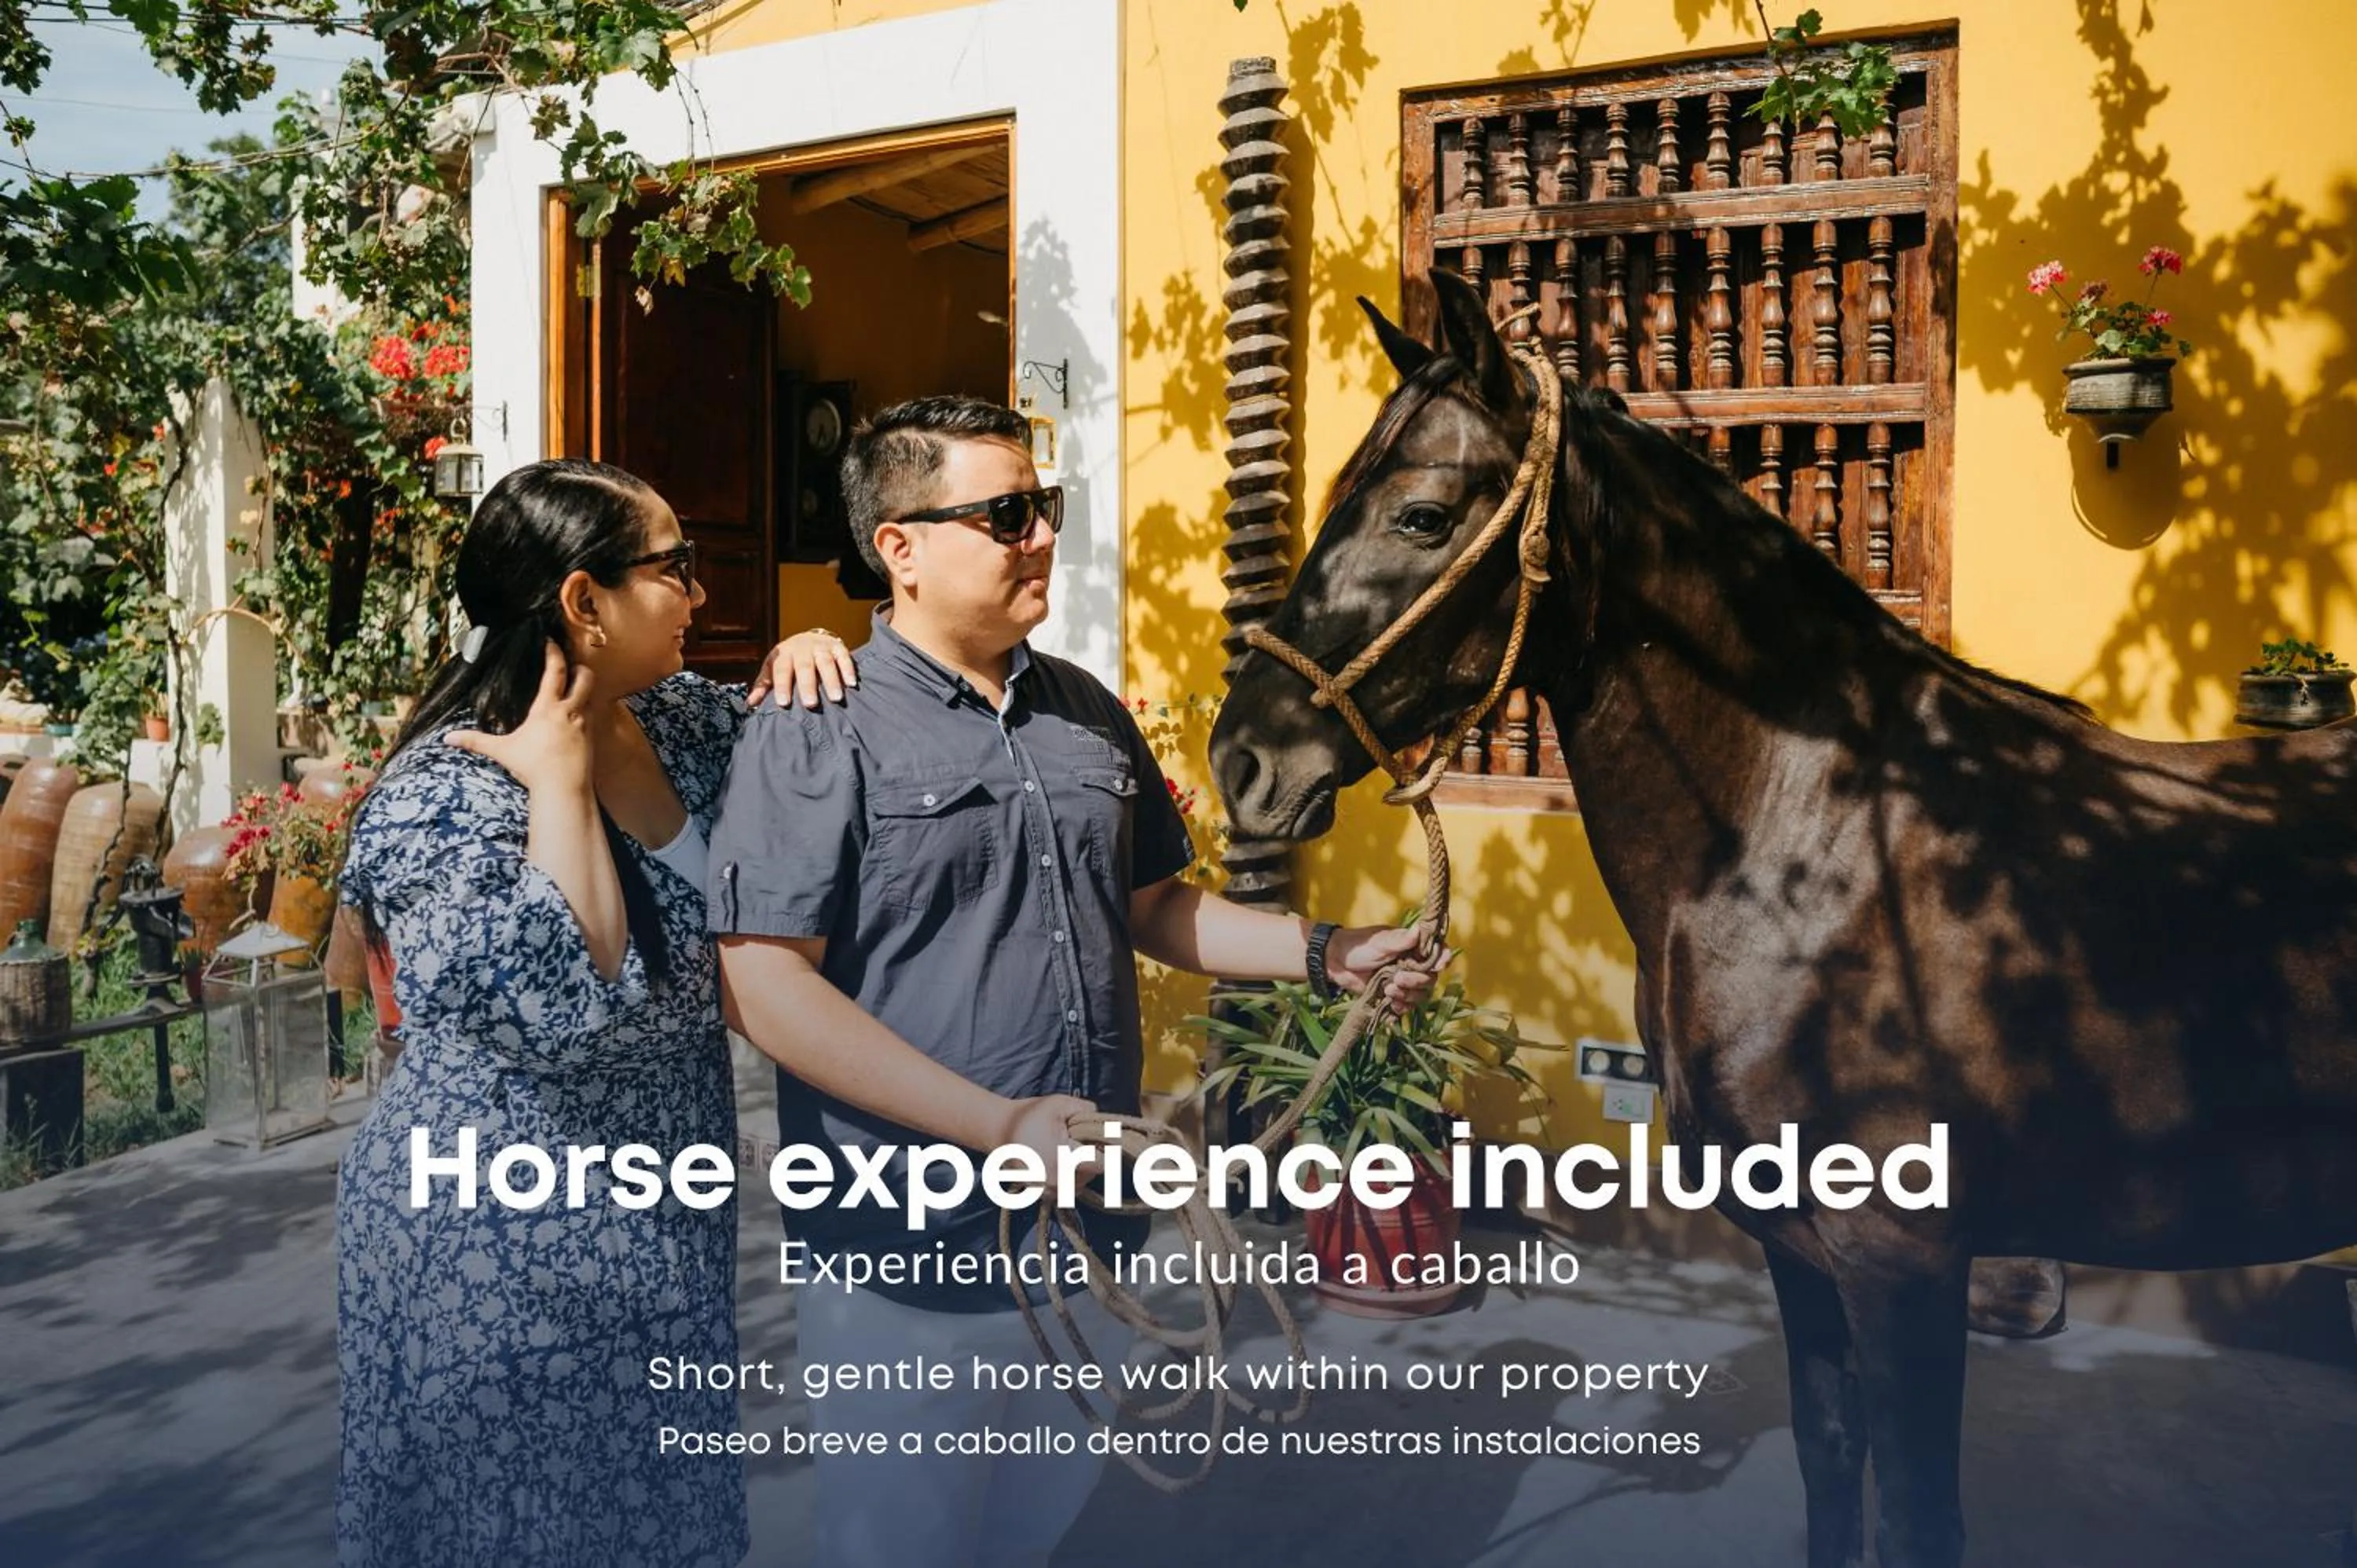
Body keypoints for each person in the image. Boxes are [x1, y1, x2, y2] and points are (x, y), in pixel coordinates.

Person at [708, 397, 1446, 1568]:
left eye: (1042, 508)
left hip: (1089, 1242)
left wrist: (1326, 951)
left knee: (1039, 1538)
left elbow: (1152, 907)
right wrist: (1000, 1126)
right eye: (1004, 515)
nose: (1040, 535)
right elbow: (762, 984)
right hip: (909, 1256)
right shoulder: (819, 722)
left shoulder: (1087, 714)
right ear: (898, 547)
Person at [333, 458, 854, 1568]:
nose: (702, 595)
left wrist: (814, 655)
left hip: (661, 1223)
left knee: (661, 1519)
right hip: (493, 1249)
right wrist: (560, 785)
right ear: (583, 601)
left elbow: (813, 746)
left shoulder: (684, 724)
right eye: (678, 568)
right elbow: (552, 999)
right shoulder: (444, 789)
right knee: (521, 1532)